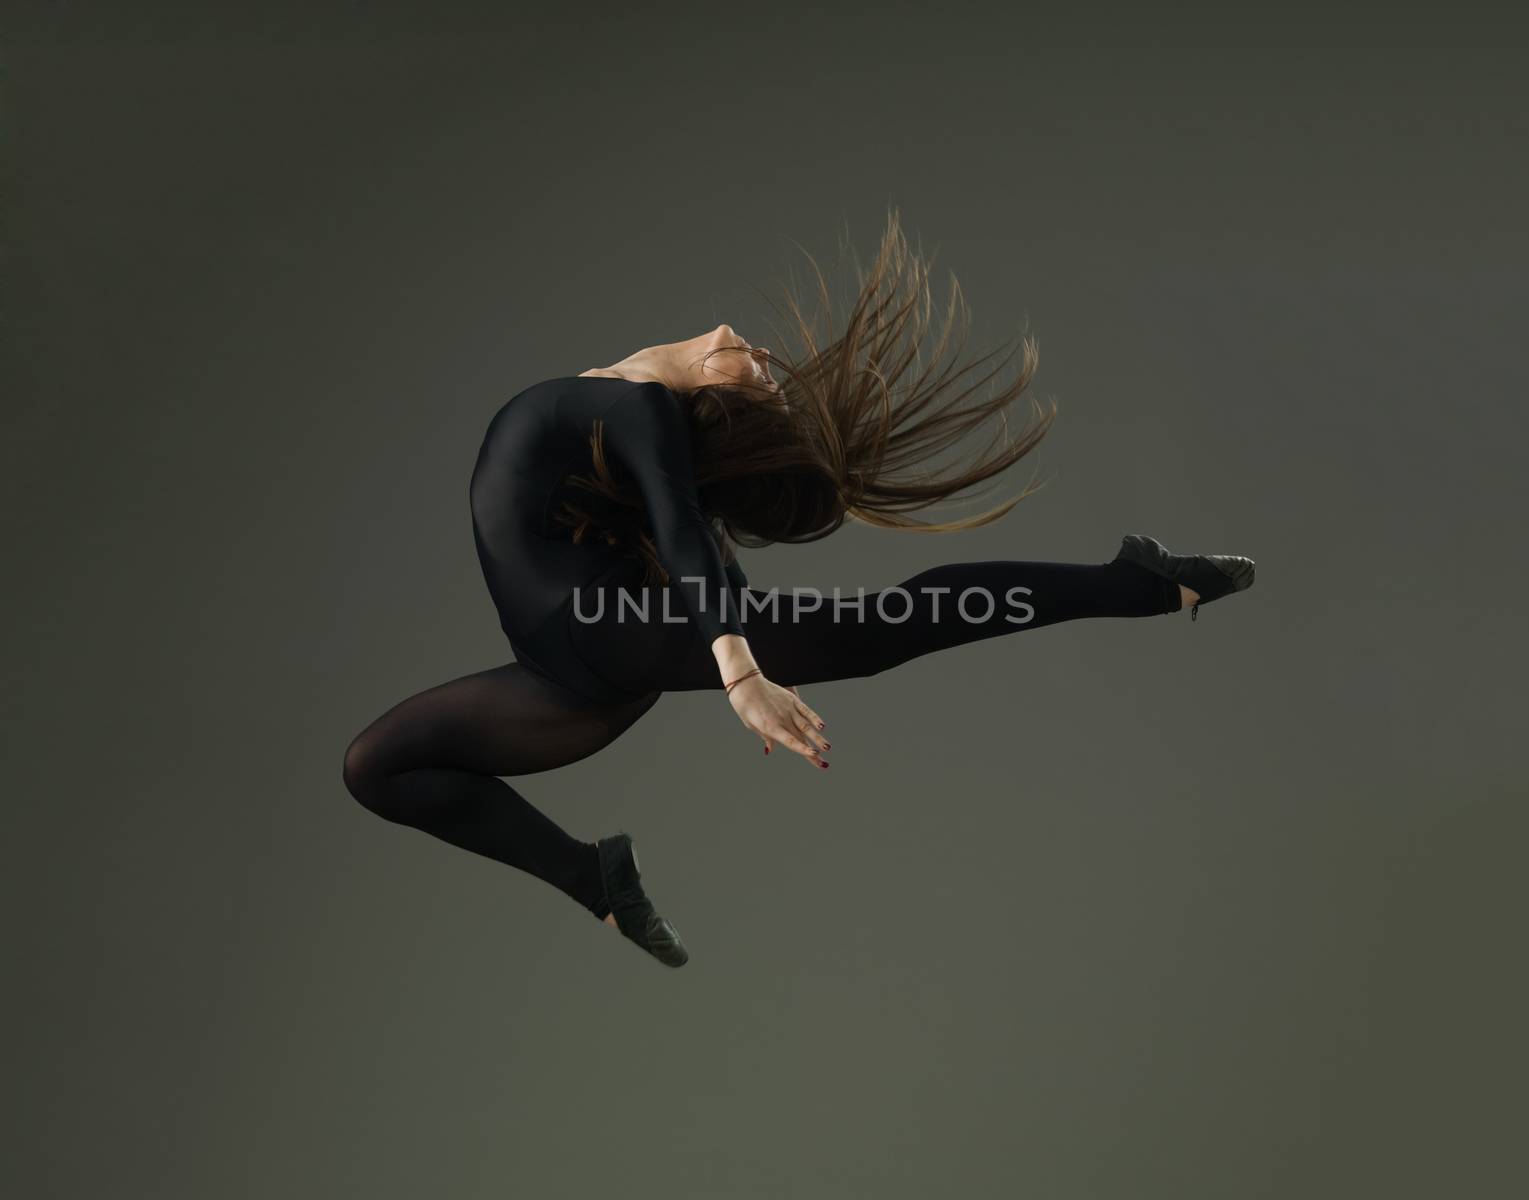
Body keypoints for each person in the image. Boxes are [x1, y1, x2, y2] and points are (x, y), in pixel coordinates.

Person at [340, 210, 1256, 967]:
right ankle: (594, 878)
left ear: (712, 396)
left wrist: (741, 672)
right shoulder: (620, 398)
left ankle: (1128, 583)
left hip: (602, 632)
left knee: (877, 634)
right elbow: (685, 532)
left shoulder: (642, 410)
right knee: (376, 767)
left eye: (761, 390)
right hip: (562, 674)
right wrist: (743, 641)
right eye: (772, 385)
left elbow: (682, 525)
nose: (769, 368)